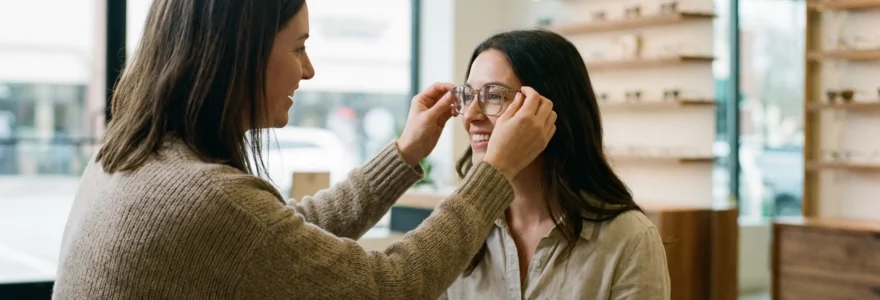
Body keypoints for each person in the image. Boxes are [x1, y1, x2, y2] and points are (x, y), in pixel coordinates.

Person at [51, 1, 558, 299]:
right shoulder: (202, 197)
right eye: (297, 47)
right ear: (238, 54)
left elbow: (283, 236)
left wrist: (405, 154)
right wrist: (493, 175)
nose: (308, 70)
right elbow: (389, 285)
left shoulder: (129, 156)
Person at [440, 30, 670, 299]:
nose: (470, 115)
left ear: (550, 107)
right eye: (468, 95)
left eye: (494, 96)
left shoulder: (629, 239)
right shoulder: (455, 225)